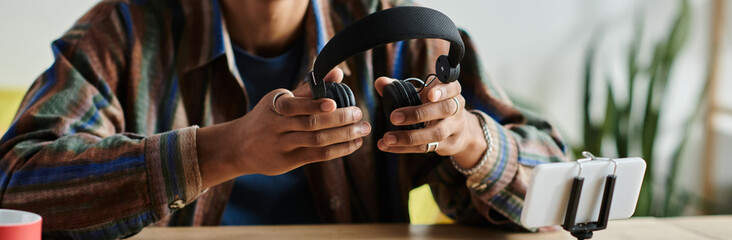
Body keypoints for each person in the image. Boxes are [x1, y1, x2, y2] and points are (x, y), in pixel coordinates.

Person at [0, 0, 567, 238]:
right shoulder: (121, 33)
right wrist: (220, 151)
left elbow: (556, 178)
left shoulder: (396, 38)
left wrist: (468, 141)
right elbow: (18, 182)